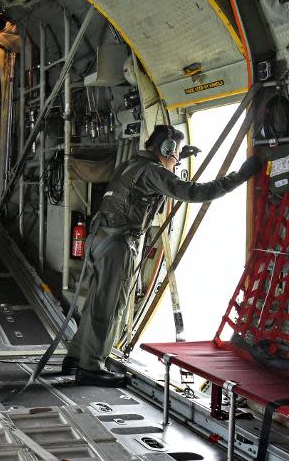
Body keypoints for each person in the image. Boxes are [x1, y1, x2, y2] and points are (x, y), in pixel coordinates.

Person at [63, 125, 262, 387]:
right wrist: (240, 177)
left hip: (100, 239)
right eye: (176, 153)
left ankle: (76, 358)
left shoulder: (131, 164)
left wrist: (181, 154)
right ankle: (91, 367)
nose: (178, 159)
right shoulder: (152, 172)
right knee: (111, 307)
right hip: (118, 244)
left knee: (95, 304)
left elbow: (154, 178)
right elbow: (194, 192)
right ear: (166, 149)